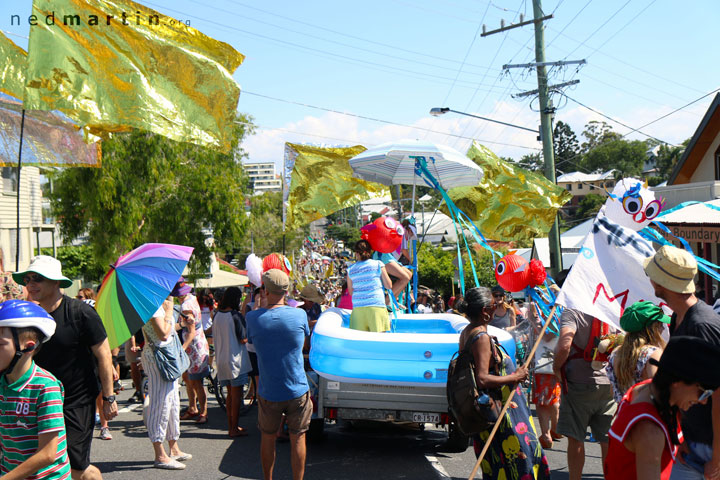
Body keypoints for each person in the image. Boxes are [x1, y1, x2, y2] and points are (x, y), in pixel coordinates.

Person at [14, 256, 117, 480]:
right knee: (42, 463)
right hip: (39, 399)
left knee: (75, 467)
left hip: (76, 401)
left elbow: (103, 354)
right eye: (28, 278)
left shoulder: (81, 313)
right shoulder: (29, 316)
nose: (31, 283)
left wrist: (108, 397)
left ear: (56, 282)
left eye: (38, 278)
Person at [642, 245, 720, 480]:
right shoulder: (679, 317)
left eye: (652, 276)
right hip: (690, 442)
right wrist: (678, 435)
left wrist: (717, 458)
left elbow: (719, 394)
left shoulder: (702, 325)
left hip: (708, 448)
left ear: (660, 283)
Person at [456, 287, 550, 479]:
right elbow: (482, 378)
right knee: (521, 458)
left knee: (498, 462)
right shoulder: (480, 337)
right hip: (501, 412)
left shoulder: (467, 331)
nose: (498, 305)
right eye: (494, 304)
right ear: (485, 311)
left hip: (487, 411)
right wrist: (515, 377)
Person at [605, 336, 720, 480]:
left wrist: (678, 440)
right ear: (678, 381)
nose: (704, 401)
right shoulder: (650, 432)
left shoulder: (644, 389)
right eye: (703, 392)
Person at [246, 269, 312, 480]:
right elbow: (305, 343)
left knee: (268, 437)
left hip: (269, 390)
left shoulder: (253, 318)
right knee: (298, 438)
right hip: (297, 388)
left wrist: (259, 306)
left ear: (264, 289)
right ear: (287, 290)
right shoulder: (300, 314)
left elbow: (252, 342)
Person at [0, 300, 70, 479]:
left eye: (0, 344)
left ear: (28, 346)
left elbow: (47, 453)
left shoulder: (45, 387)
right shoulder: (3, 382)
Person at [553, 307, 617, 480]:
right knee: (607, 440)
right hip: (607, 384)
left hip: (577, 384)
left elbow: (565, 345)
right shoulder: (609, 308)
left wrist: (556, 367)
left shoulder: (573, 312)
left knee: (575, 438)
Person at [142, 297, 191, 470]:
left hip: (164, 358)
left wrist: (183, 324)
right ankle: (160, 454)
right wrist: (169, 311)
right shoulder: (151, 304)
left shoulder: (155, 302)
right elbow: (163, 333)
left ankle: (173, 448)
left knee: (172, 404)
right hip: (159, 360)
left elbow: (166, 330)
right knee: (161, 405)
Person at [209, 287, 251, 438]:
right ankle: (233, 428)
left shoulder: (217, 315)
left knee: (229, 396)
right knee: (236, 397)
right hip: (235, 360)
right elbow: (243, 339)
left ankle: (231, 426)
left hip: (221, 360)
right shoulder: (235, 316)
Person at [605, 301, 667, 403]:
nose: (663, 328)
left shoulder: (615, 354)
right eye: (660, 324)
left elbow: (613, 392)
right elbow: (659, 390)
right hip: (645, 415)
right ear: (651, 328)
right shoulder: (652, 353)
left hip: (624, 415)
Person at [527, 301, 562, 450]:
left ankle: (549, 431)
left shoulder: (556, 313)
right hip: (549, 361)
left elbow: (548, 335)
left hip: (547, 361)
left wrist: (534, 321)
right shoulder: (557, 311)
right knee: (550, 397)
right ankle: (553, 429)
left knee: (545, 399)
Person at [173, 282, 210, 425]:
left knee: (195, 381)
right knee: (189, 379)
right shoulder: (191, 299)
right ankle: (193, 408)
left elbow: (191, 330)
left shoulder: (186, 306)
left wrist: (182, 348)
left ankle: (203, 412)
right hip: (198, 343)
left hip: (194, 347)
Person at [347, 240, 393, 332]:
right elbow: (388, 285)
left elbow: (351, 292)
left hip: (358, 308)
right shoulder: (378, 264)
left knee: (360, 343)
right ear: (370, 251)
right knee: (378, 341)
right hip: (376, 306)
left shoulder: (350, 269)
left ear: (356, 253)